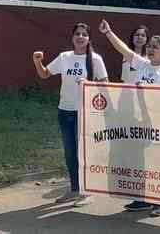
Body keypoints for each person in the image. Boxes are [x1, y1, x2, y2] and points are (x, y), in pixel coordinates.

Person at [99, 19, 160, 217]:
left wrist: (149, 90)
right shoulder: (142, 64)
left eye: (156, 47)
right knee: (140, 161)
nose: (151, 49)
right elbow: (124, 50)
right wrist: (108, 32)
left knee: (157, 163)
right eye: (150, 46)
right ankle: (142, 199)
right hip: (140, 122)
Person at [31, 23, 108, 207]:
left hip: (85, 112)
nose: (80, 37)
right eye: (77, 34)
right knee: (70, 153)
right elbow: (44, 74)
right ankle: (74, 189)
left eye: (84, 34)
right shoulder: (65, 57)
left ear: (89, 39)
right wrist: (36, 61)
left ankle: (87, 192)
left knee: (83, 153)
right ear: (72, 37)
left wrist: (88, 84)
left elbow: (105, 84)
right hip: (64, 111)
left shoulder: (95, 59)